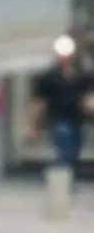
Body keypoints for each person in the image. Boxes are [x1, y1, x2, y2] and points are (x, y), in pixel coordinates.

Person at [29, 43, 89, 173]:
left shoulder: (82, 75)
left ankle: (65, 180)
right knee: (66, 152)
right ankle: (63, 183)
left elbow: (88, 98)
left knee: (74, 153)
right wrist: (34, 125)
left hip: (78, 120)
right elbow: (40, 102)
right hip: (58, 119)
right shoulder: (50, 77)